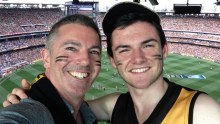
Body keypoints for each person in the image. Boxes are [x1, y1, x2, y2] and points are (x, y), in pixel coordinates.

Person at [3, 2, 220, 124]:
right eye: (124, 49)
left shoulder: (202, 112)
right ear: (112, 60)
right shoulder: (114, 106)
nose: (137, 58)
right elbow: (64, 107)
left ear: (164, 49)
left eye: (147, 45)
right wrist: (30, 98)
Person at [0, 14, 102, 124]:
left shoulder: (84, 111)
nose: (85, 61)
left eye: (94, 52)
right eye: (71, 48)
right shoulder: (32, 112)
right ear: (46, 58)